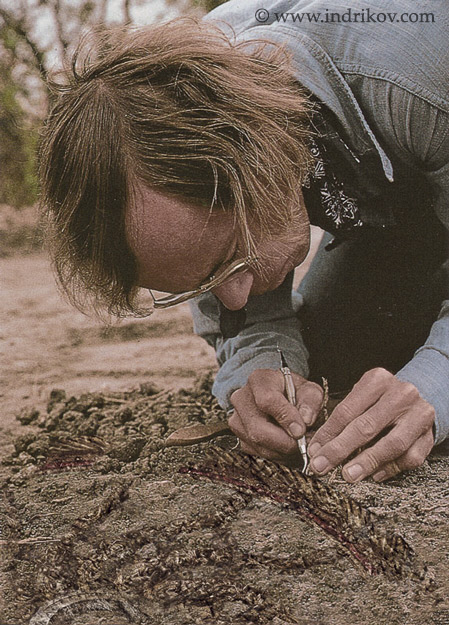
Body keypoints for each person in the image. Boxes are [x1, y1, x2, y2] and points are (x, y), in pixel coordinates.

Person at [39, 0, 449, 484]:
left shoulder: (420, 79)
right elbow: (250, 322)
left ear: (265, 160)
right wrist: (261, 364)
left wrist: (435, 381)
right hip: (401, 206)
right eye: (202, 285)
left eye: (230, 260)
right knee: (343, 353)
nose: (233, 299)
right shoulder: (176, 108)